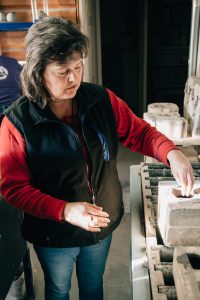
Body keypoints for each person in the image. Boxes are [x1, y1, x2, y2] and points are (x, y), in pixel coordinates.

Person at [0, 17, 194, 300]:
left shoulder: (100, 100)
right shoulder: (16, 123)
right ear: (38, 72)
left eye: (78, 67)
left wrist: (171, 152)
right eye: (62, 71)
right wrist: (65, 211)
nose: (73, 78)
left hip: (100, 225)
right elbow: (13, 189)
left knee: (93, 288)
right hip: (55, 234)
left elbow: (139, 133)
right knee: (58, 289)